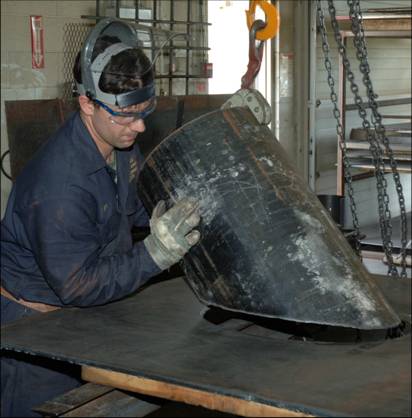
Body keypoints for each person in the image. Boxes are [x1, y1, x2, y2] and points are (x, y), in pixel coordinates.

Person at [1, 19, 200, 417]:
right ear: (87, 103)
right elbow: (78, 285)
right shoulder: (59, 186)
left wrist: (168, 212)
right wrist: (155, 254)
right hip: (34, 328)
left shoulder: (119, 145)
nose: (139, 126)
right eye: (125, 115)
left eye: (144, 111)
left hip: (83, 318)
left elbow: (131, 205)